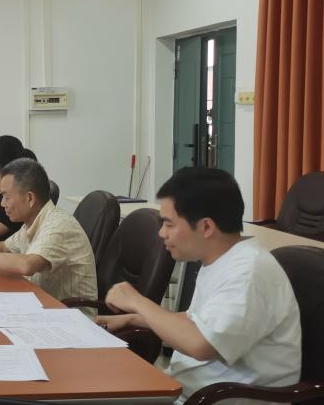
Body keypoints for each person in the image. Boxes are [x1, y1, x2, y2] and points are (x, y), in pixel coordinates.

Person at [96, 168, 301, 404]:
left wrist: (137, 301)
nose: (161, 233)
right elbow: (197, 320)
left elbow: (201, 344)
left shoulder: (248, 272)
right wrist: (132, 319)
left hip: (216, 398)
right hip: (185, 391)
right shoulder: (220, 260)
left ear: (206, 227)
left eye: (169, 224)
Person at [0, 159, 97, 305]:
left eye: (6, 197)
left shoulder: (58, 225)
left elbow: (27, 265)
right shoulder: (32, 221)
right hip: (43, 302)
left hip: (69, 314)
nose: (2, 204)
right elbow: (3, 247)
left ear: (30, 198)